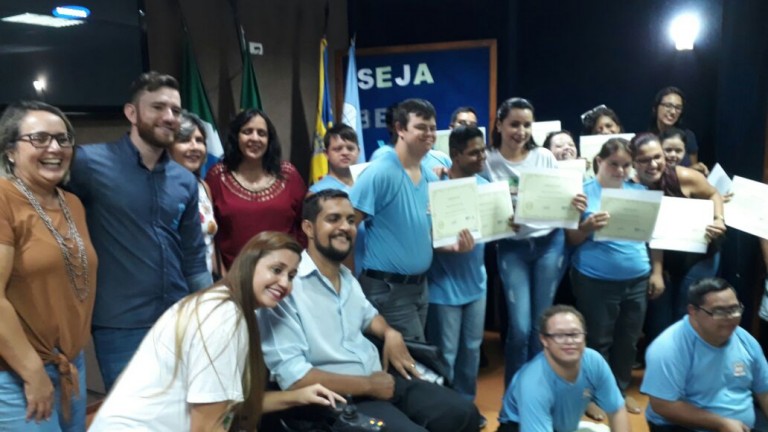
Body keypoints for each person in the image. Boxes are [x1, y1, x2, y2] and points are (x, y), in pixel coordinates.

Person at [258, 190, 481, 432]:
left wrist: (390, 333)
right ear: (309, 228)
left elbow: (370, 316)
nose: (345, 227)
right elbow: (294, 379)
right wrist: (369, 386)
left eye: (350, 220)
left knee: (463, 413)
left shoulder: (346, 277)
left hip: (380, 378)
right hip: (337, 397)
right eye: (333, 219)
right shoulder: (286, 287)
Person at [90, 232, 343, 431]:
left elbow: (229, 406)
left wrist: (298, 396)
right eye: (276, 270)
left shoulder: (224, 305)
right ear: (249, 263)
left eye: (292, 275)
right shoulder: (223, 317)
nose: (285, 283)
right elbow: (206, 427)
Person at [67, 72, 211, 391]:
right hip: (121, 324)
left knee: (180, 409)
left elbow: (193, 257)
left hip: (178, 318)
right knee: (132, 412)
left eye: (175, 110)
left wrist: (209, 314)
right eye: (158, 107)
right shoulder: (88, 163)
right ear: (132, 113)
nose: (169, 117)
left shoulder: (184, 180)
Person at [0, 101, 98, 431]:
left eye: (63, 138)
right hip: (16, 373)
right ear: (10, 151)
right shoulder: (3, 198)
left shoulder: (72, 203)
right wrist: (33, 373)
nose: (55, 148)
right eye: (39, 138)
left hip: (70, 364)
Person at [482, 97, 585, 386]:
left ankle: (537, 389)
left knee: (542, 326)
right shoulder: (488, 160)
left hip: (549, 244)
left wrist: (574, 203)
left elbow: (561, 196)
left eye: (527, 125)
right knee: (519, 328)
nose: (521, 131)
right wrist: (500, 220)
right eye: (514, 124)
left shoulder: (544, 156)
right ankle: (515, 394)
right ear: (499, 125)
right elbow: (478, 202)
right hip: (512, 248)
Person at [566, 138, 653, 415]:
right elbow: (572, 239)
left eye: (626, 165)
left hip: (637, 278)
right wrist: (587, 226)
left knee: (628, 340)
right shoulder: (582, 193)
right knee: (597, 340)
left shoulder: (640, 192)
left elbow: (652, 237)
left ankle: (618, 392)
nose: (620, 170)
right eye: (614, 164)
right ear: (599, 162)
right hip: (596, 279)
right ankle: (591, 396)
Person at [351, 98, 444, 342]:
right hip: (388, 289)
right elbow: (346, 225)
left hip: (420, 287)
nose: (429, 134)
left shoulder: (430, 178)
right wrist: (346, 281)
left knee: (412, 357)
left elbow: (428, 234)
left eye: (432, 128)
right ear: (400, 129)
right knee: (412, 359)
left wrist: (456, 243)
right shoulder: (379, 172)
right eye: (421, 127)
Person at [629, 133, 726, 346]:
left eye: (657, 156)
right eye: (644, 160)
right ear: (634, 162)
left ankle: (687, 359)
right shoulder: (630, 188)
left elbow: (714, 194)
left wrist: (718, 219)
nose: (653, 164)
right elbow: (654, 232)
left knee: (687, 312)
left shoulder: (684, 176)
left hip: (699, 255)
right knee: (659, 321)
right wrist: (657, 271)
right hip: (660, 259)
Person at [641, 277, 768, 432]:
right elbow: (662, 405)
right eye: (719, 311)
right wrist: (721, 423)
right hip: (682, 426)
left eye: (735, 309)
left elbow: (764, 390)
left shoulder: (745, 340)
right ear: (693, 312)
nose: (730, 318)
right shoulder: (668, 347)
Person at [425, 125, 487, 422]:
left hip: (477, 284)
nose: (481, 157)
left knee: (472, 351)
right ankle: (446, 415)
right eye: (474, 153)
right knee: (446, 354)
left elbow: (496, 225)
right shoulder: (435, 187)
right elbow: (425, 236)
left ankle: (466, 409)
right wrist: (443, 246)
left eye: (483, 151)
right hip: (443, 287)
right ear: (455, 155)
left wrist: (508, 224)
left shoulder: (486, 186)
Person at [497, 305, 629, 432]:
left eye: (575, 334)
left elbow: (617, 410)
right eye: (559, 336)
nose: (569, 341)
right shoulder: (533, 382)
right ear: (544, 340)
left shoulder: (594, 361)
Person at [205, 108, 307, 270]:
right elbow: (209, 234)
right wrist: (223, 277)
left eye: (261, 133)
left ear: (269, 139)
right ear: (236, 136)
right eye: (247, 132)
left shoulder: (289, 175)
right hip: (234, 277)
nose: (255, 138)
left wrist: (295, 268)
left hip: (285, 276)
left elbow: (306, 225)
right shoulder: (217, 177)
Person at [169, 111, 218, 276]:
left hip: (205, 281)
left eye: (199, 140)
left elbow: (210, 244)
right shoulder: (160, 189)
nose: (195, 147)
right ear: (168, 147)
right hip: (175, 282)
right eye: (184, 140)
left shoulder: (204, 187)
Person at [649, 86, 708, 173]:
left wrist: (697, 170)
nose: (673, 112)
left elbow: (693, 168)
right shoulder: (647, 139)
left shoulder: (688, 136)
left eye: (678, 108)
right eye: (668, 106)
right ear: (655, 108)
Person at [308, 123, 360, 195]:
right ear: (326, 153)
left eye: (350, 148)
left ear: (358, 151)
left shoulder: (368, 185)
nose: (345, 153)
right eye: (338, 149)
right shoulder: (317, 192)